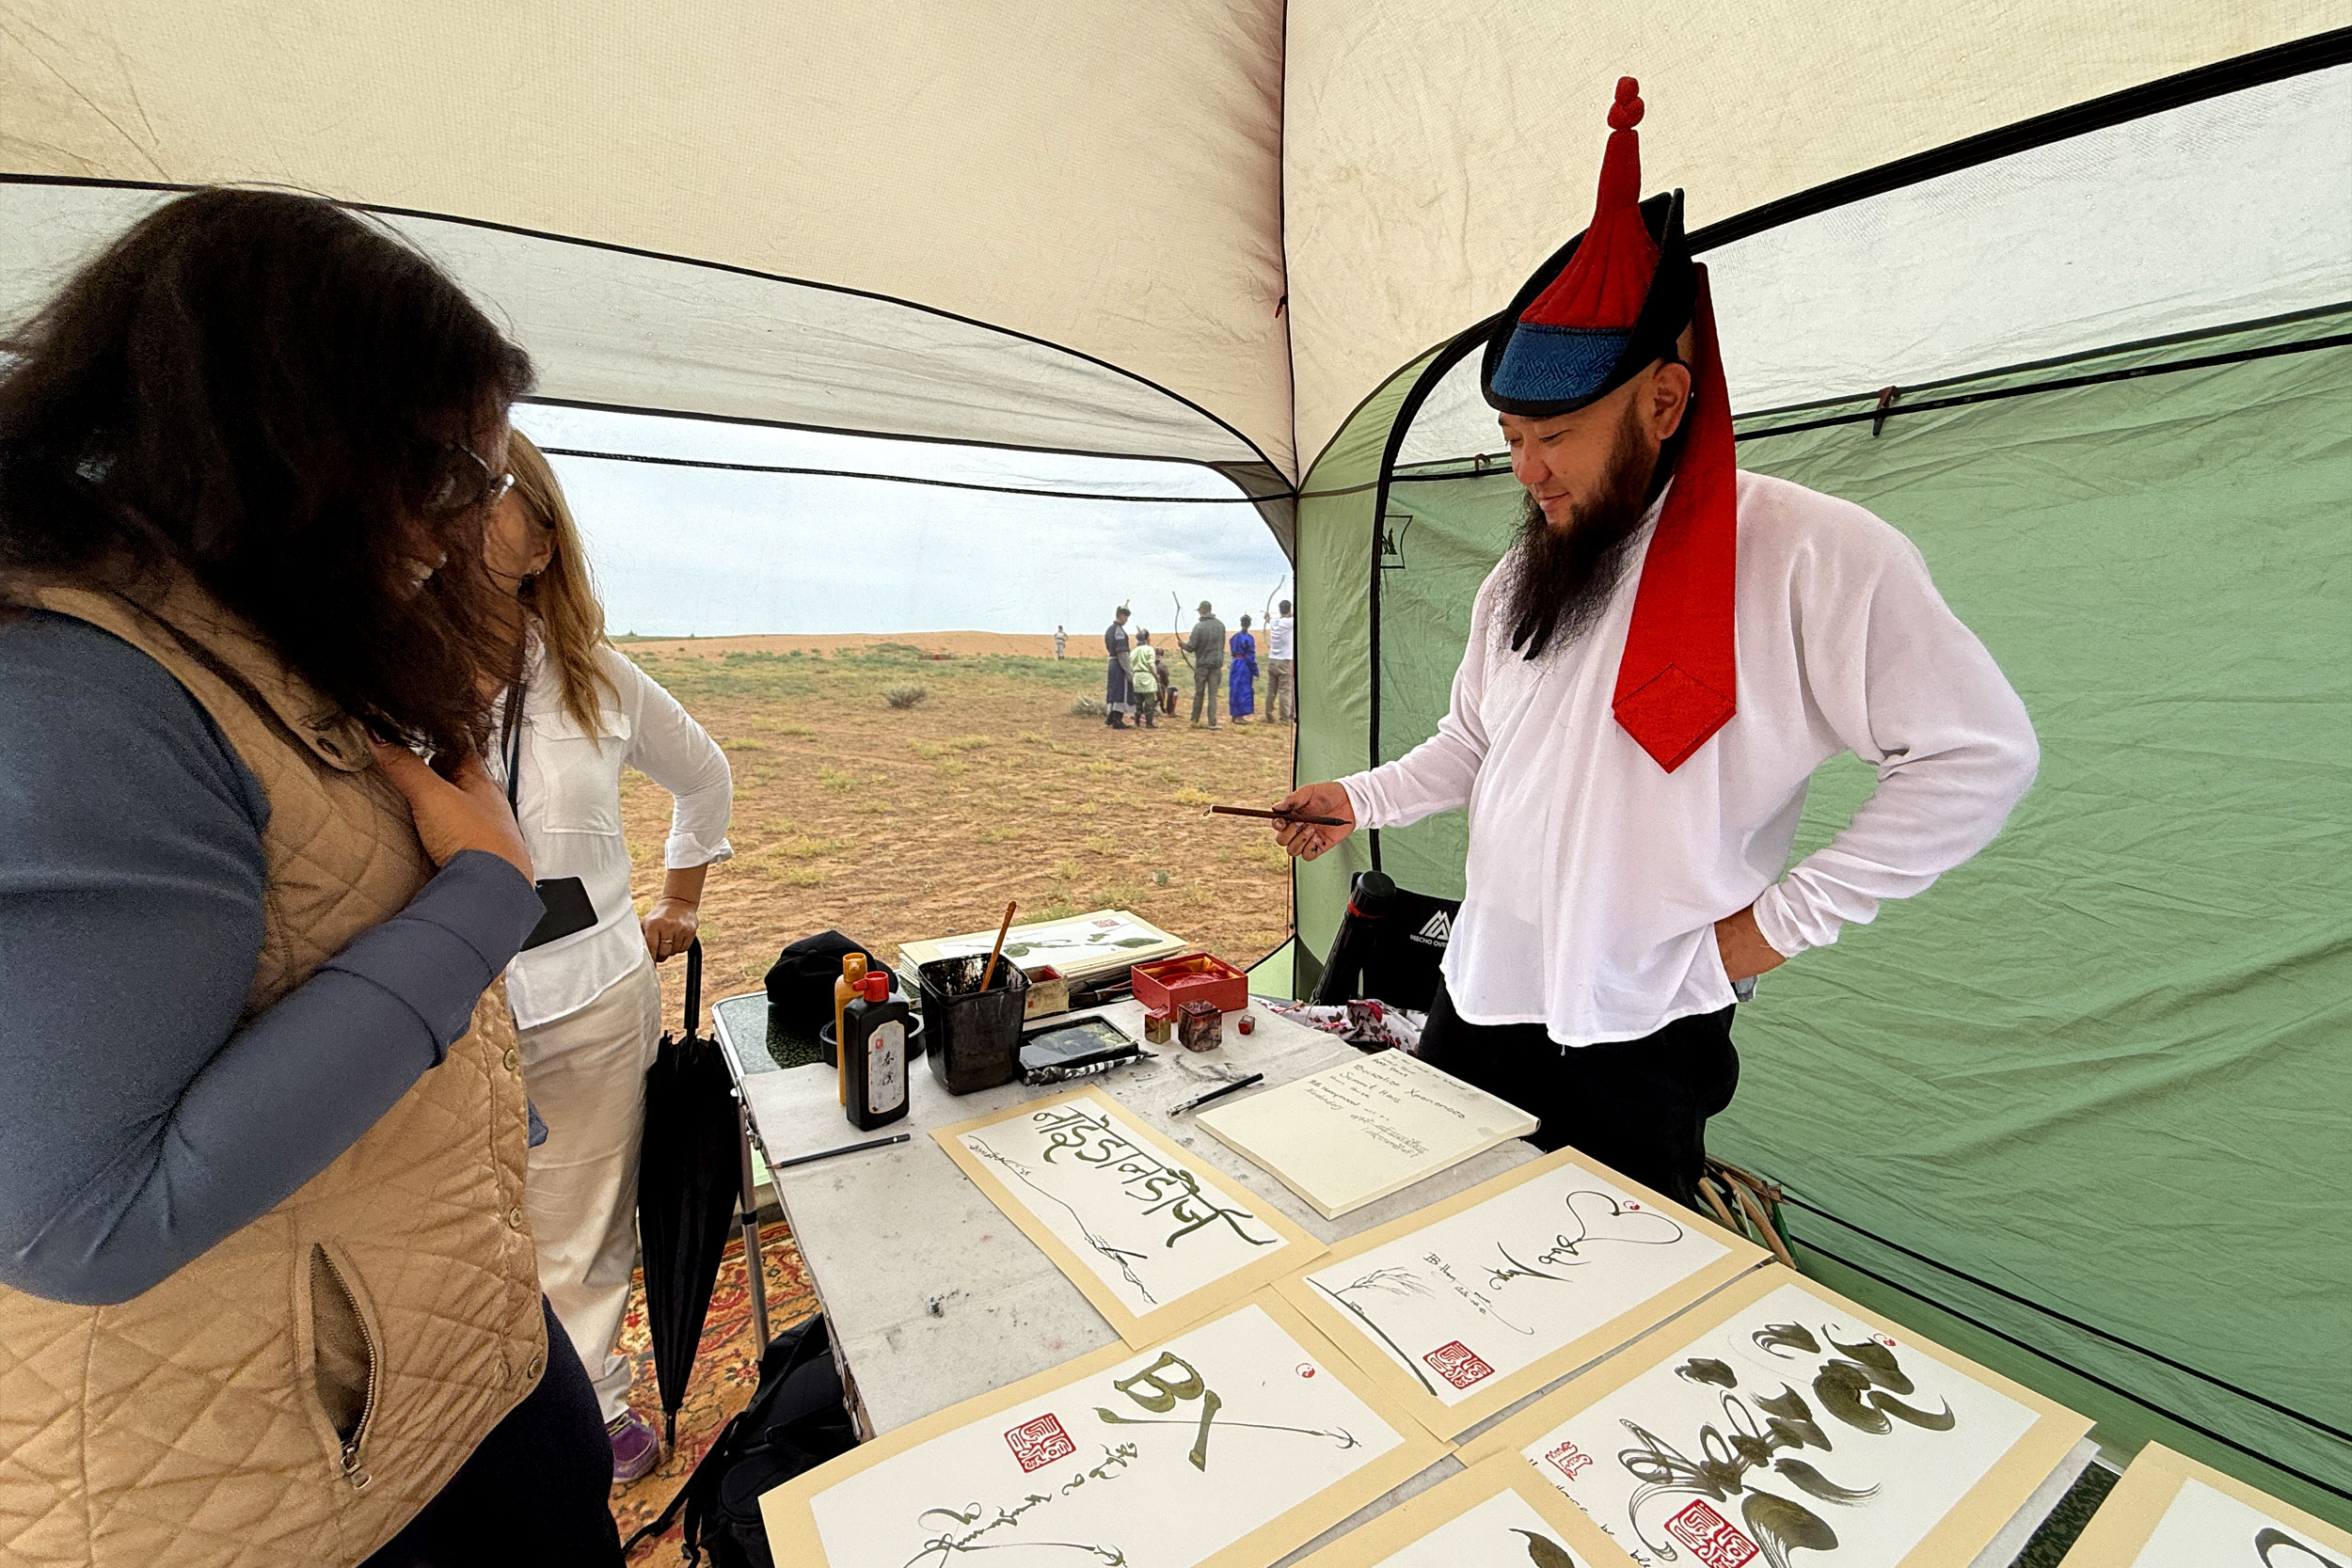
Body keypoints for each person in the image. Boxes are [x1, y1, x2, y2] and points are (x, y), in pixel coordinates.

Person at [1273, 80, 2037, 1207]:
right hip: (1483, 990)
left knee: (1602, 1308)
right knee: (1430, 1244)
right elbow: (1478, 744)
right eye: (1511, 437)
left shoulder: (1809, 554)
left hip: (1643, 1024)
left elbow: (1979, 755)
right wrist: (1360, 797)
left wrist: (1763, 932)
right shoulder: (1520, 572)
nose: (1526, 471)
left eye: (1557, 436)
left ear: (1667, 399)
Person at [0, 190, 622, 1564]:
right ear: (300, 446)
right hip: (272, 1487)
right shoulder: (80, 697)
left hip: (431, 1389)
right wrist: (478, 902)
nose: (463, 526)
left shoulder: (248, 651)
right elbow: (82, 1215)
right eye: (453, 475)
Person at [484, 435, 735, 1483]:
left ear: (540, 537)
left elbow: (705, 776)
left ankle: (591, 1418)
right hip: (445, 1007)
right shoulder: (370, 678)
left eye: (484, 488)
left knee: (584, 1226)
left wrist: (679, 897)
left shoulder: (595, 679)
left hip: (590, 994)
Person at [1186, 599, 1228, 728]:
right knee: (1212, 695)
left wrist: (1181, 645)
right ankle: (1212, 722)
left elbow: (1190, 647)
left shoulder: (1198, 627)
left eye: (1199, 610)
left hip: (1202, 665)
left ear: (1203, 610)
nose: (1199, 613)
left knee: (1199, 692)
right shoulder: (1221, 625)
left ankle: (1194, 719)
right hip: (1216, 665)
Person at [1103, 604, 1136, 728]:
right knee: (1120, 692)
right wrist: (1129, 671)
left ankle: (1111, 717)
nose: (1126, 619)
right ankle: (1116, 720)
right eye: (1125, 616)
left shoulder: (1110, 630)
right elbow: (1122, 653)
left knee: (1113, 691)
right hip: (1118, 664)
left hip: (1112, 663)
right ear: (1120, 616)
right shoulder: (1119, 631)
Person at [1266, 598, 1296, 722]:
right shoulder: (1289, 622)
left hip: (1272, 659)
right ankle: (1284, 717)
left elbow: (1268, 619)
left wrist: (1267, 617)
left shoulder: (1274, 622)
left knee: (1271, 689)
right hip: (1285, 660)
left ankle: (1268, 714)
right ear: (1289, 610)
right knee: (1285, 690)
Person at [1127, 628, 1162, 728]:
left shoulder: (1133, 651)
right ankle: (1149, 723)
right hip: (1147, 676)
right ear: (1147, 639)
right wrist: (1156, 675)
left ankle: (1137, 721)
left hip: (1137, 676)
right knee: (1149, 701)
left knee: (1138, 701)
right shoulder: (1150, 649)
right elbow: (1151, 664)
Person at [1229, 614, 1259, 722]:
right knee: (1243, 690)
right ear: (1249, 624)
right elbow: (1250, 656)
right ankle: (1239, 716)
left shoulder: (1234, 637)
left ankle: (1234, 714)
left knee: (1235, 689)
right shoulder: (1248, 638)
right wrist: (1255, 670)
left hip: (1235, 663)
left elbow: (1232, 651)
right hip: (1244, 665)